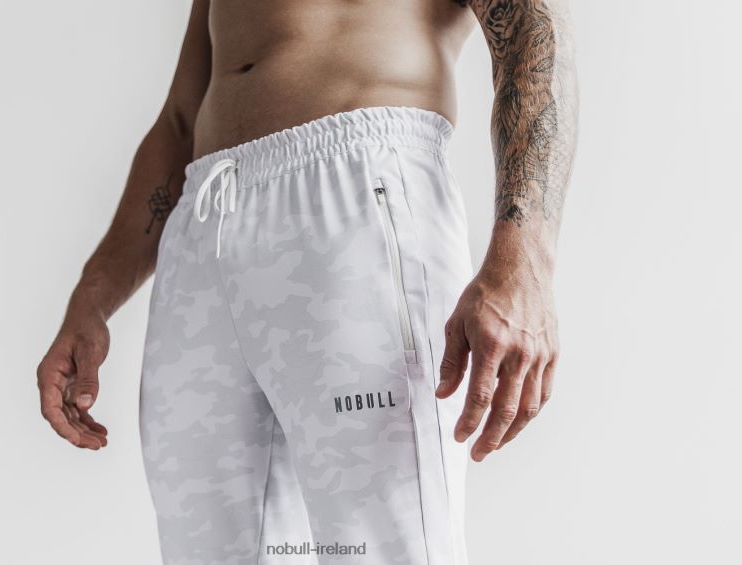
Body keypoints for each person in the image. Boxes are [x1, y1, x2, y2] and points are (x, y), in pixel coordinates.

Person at [36, 1, 578, 563]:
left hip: (352, 196)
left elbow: (532, 26)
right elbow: (180, 121)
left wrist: (525, 263)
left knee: (385, 548)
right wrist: (92, 299)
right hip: (202, 224)